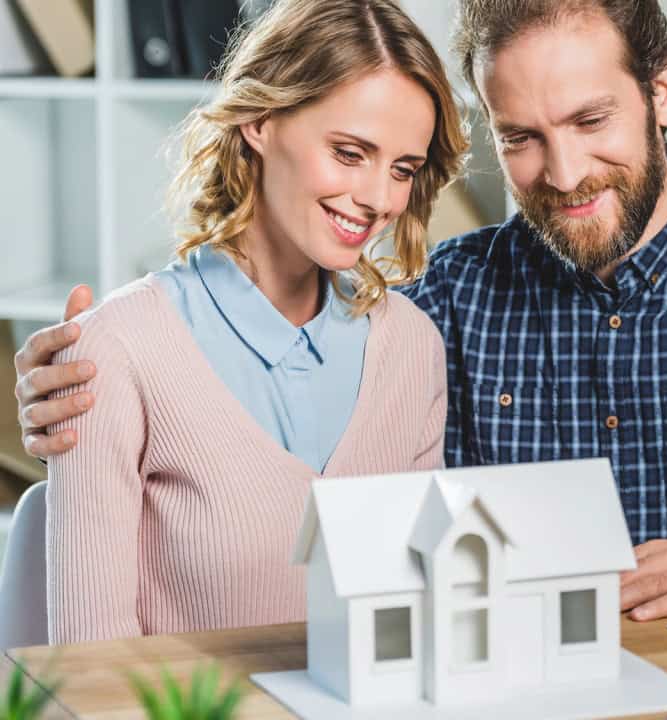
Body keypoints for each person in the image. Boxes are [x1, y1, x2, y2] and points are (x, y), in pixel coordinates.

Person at [14, 0, 667, 622]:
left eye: (591, 121)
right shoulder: (444, 302)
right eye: (524, 137)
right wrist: (77, 392)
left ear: (659, 93)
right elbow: (287, 371)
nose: (565, 171)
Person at [33, 0, 465, 643]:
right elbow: (90, 670)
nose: (379, 199)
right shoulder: (119, 348)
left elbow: (410, 632)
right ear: (260, 121)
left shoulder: (410, 346)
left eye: (402, 169)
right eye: (350, 153)